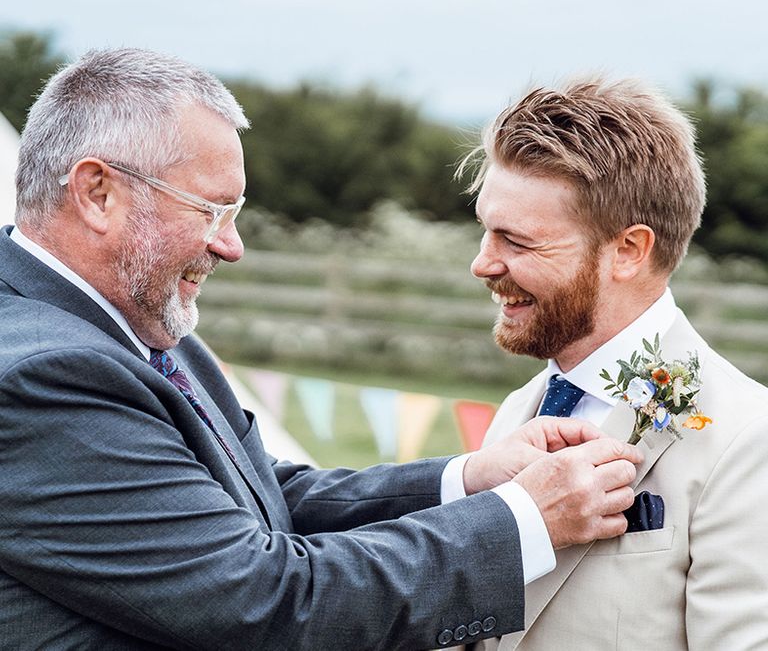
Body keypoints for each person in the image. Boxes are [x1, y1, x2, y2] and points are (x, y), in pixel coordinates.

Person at [0, 49, 642, 651]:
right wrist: (522, 520)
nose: (232, 245)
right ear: (96, 194)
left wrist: (469, 481)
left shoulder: (134, 325)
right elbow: (262, 600)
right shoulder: (44, 375)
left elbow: (259, 497)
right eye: (211, 211)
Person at [468, 79, 768, 650]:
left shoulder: (749, 439)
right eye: (485, 230)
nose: (482, 264)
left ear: (628, 251)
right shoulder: (521, 410)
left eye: (518, 242)